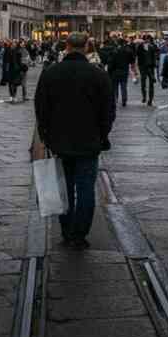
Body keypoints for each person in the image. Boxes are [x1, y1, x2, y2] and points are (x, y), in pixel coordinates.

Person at [35, 33, 114, 250]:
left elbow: (41, 108)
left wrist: (46, 135)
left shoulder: (51, 73)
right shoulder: (98, 75)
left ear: (66, 46)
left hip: (59, 141)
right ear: (87, 46)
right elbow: (108, 111)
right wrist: (102, 135)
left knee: (65, 188)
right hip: (89, 141)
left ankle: (66, 230)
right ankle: (80, 234)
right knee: (86, 188)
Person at [137, 35, 158, 105]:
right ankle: (144, 97)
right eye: (145, 39)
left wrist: (154, 64)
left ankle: (150, 99)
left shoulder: (153, 46)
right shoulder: (140, 46)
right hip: (144, 67)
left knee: (151, 83)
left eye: (148, 39)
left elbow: (156, 55)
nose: (147, 40)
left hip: (150, 67)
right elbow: (138, 55)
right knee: (143, 83)